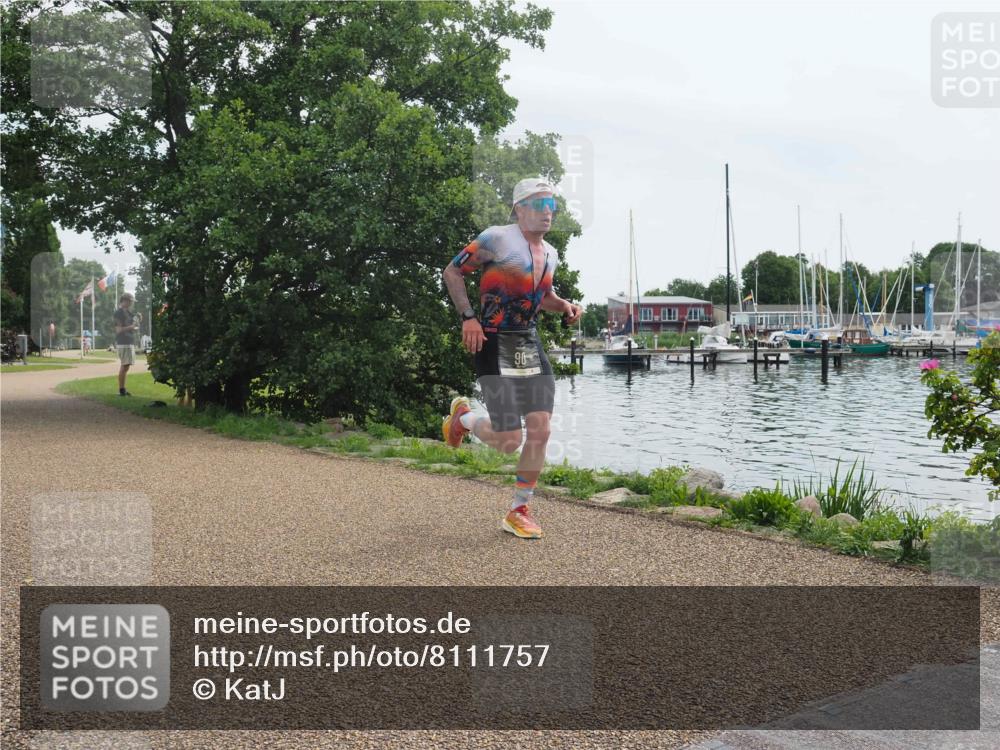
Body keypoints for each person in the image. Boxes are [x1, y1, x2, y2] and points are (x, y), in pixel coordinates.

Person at [442, 178, 582, 539]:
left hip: (527, 343)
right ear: (519, 209)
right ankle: (465, 418)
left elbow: (543, 295)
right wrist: (468, 318)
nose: (547, 212)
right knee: (508, 440)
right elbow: (452, 271)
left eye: (551, 205)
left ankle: (519, 509)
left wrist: (563, 305)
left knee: (541, 427)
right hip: (492, 340)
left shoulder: (550, 252)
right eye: (538, 204)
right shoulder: (496, 238)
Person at [113, 293, 140, 396]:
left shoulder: (129, 313)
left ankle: (122, 389)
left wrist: (138, 321)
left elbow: (134, 324)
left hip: (128, 342)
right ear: (125, 301)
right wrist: (131, 327)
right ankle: (121, 390)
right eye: (130, 301)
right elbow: (118, 330)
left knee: (126, 366)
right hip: (123, 342)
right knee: (124, 366)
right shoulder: (118, 313)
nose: (132, 303)